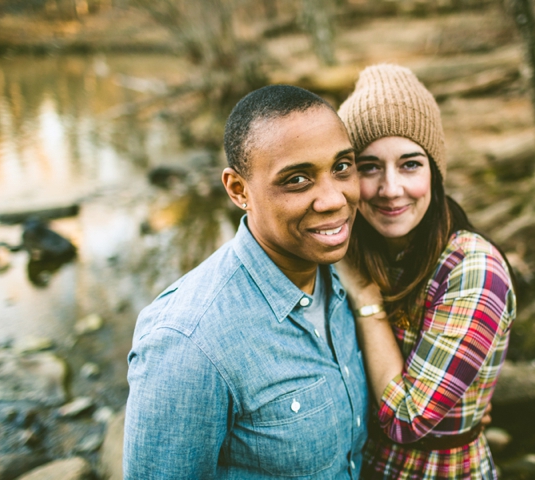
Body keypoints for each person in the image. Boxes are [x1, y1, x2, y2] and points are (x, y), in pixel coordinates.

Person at [123, 85, 370, 479]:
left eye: (342, 167)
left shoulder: (342, 276)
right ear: (239, 190)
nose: (334, 199)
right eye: (297, 180)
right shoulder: (189, 343)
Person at [336, 64, 517, 479]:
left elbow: (406, 419)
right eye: (368, 167)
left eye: (410, 164)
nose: (390, 188)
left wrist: (366, 298)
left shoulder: (473, 269)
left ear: (435, 170)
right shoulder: (353, 249)